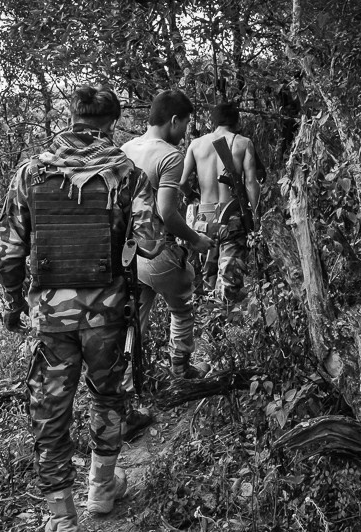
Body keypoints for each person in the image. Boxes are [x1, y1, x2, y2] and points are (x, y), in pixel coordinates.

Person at [0, 84, 156, 531]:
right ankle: (101, 493)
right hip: (107, 312)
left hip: (50, 315)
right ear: (111, 122)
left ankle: (61, 517)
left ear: (72, 116)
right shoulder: (126, 172)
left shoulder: (30, 172)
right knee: (107, 397)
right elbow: (151, 241)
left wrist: (11, 302)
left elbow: (9, 251)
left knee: (49, 409)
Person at [121, 90, 214, 382]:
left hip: (127, 252)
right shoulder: (170, 156)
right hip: (160, 250)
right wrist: (196, 239)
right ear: (174, 120)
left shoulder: (126, 148)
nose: (185, 132)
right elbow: (167, 212)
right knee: (182, 307)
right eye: (185, 124)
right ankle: (181, 369)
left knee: (133, 320)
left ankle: (126, 383)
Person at [180, 102, 261, 303]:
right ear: (237, 121)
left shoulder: (196, 145)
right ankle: (227, 319)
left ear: (212, 122)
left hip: (203, 219)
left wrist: (192, 196)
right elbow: (251, 183)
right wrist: (256, 216)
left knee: (208, 279)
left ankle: (209, 327)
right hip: (231, 216)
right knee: (230, 284)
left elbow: (181, 182)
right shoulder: (243, 143)